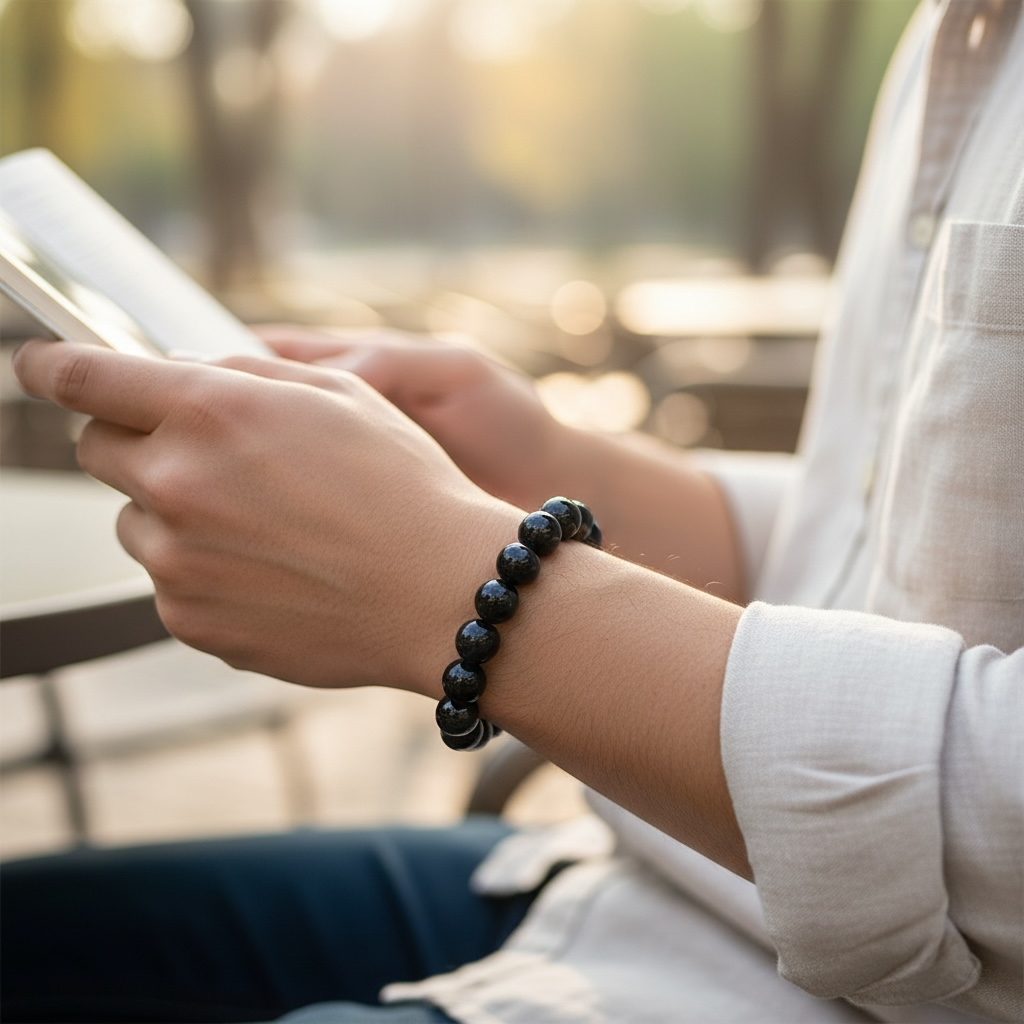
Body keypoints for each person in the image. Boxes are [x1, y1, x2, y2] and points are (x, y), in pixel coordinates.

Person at [2, 1, 1022, 1022]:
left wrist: (458, 588)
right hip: (625, 885)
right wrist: (546, 467)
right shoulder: (957, 39)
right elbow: (897, 559)